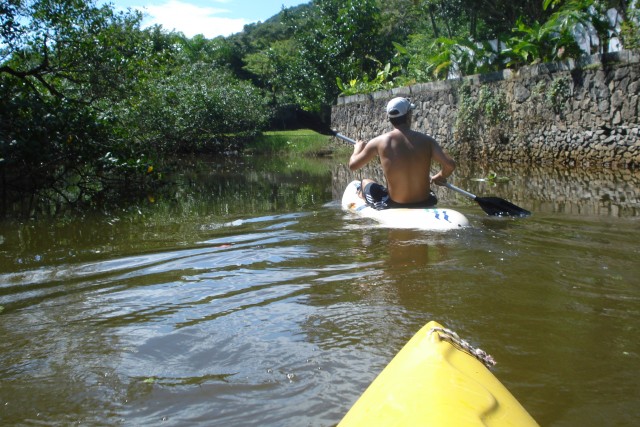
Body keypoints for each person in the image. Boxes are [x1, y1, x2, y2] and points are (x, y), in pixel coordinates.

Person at [348, 97, 456, 210]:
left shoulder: (378, 142)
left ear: (389, 118)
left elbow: (353, 165)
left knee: (365, 182)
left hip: (395, 203)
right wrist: (439, 176)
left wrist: (357, 149)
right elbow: (450, 165)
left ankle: (362, 197)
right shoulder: (427, 141)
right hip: (425, 200)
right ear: (409, 115)